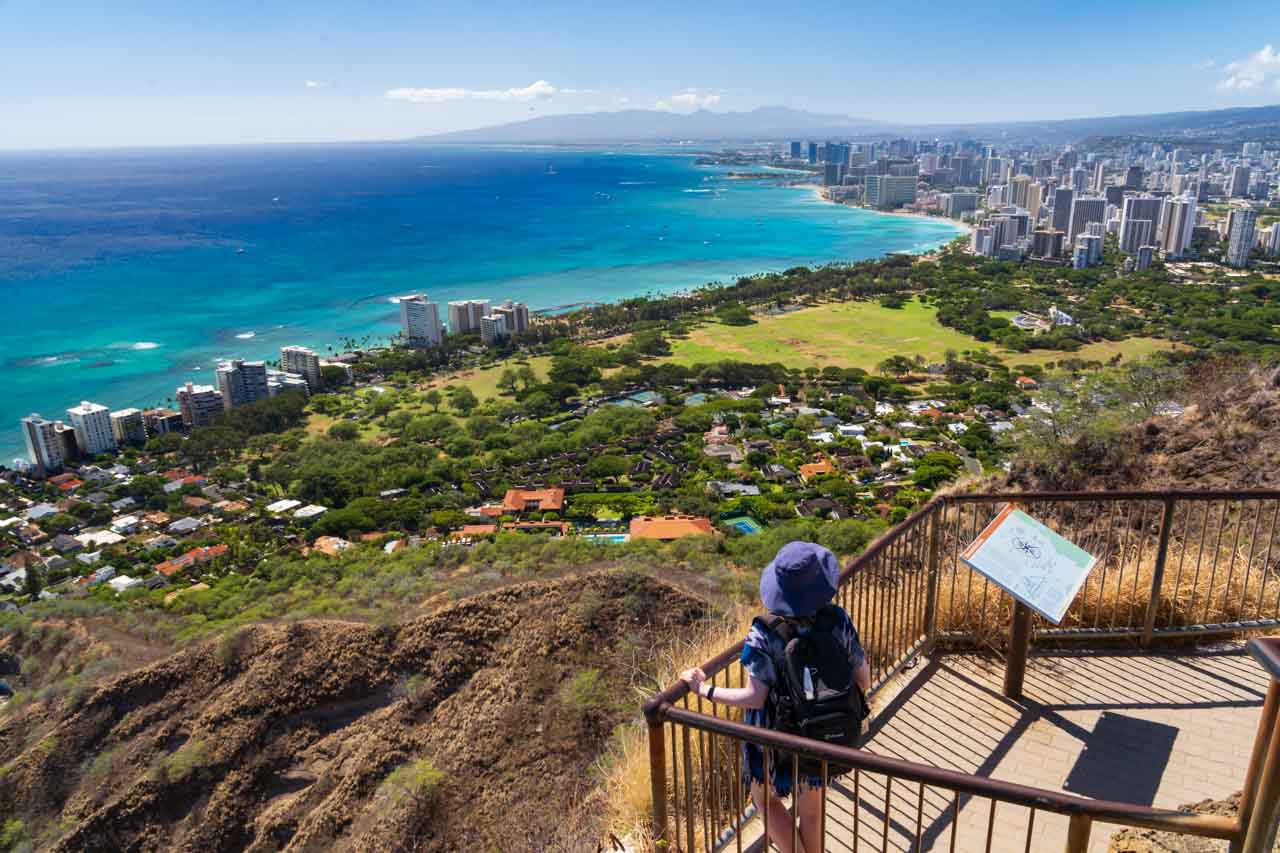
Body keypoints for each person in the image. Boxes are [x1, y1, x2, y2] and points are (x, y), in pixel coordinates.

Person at [682, 541, 870, 853]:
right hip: (822, 730)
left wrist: (705, 690)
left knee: (765, 801)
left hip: (771, 734)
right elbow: (863, 678)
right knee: (811, 805)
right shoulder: (838, 621)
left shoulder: (764, 631)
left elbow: (754, 697)